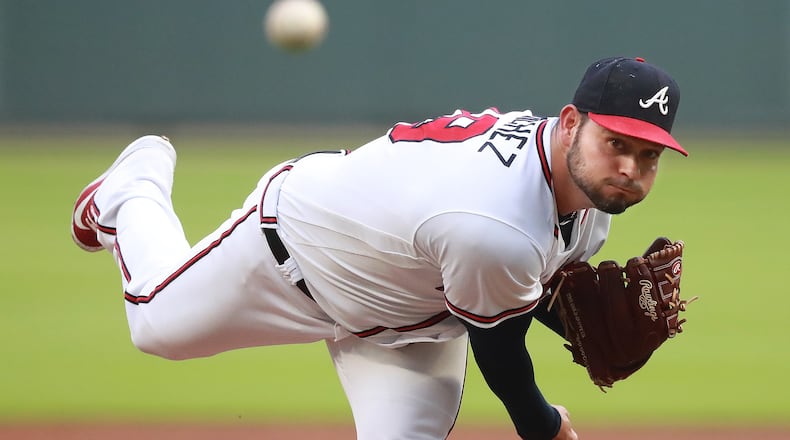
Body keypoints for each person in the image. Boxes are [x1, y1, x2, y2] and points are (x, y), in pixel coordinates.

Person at [70, 56, 686, 440]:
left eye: (648, 155)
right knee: (155, 325)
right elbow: (500, 350)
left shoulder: (589, 200)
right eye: (618, 143)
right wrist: (545, 426)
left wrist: (566, 318)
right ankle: (136, 184)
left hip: (414, 324)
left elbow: (524, 280)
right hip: (299, 255)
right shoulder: (492, 219)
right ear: (572, 123)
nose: (631, 169)